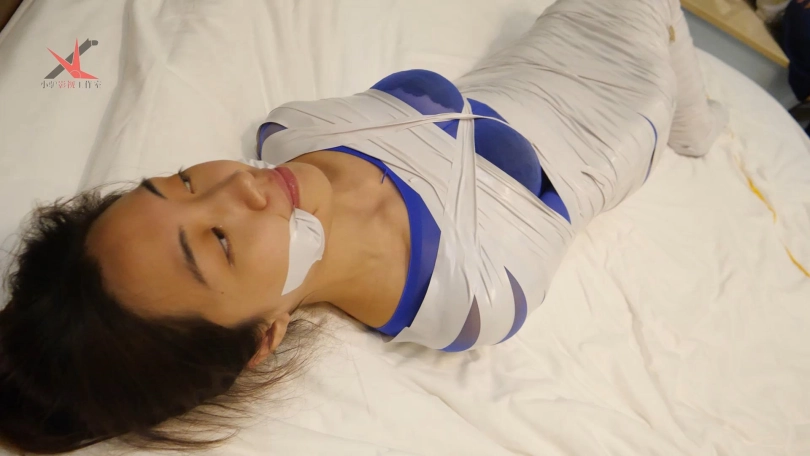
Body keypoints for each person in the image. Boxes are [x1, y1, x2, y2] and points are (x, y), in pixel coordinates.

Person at [0, 0, 723, 453]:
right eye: (217, 242)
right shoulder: (473, 290)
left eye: (181, 182)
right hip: (623, 111)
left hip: (532, 58)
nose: (235, 186)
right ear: (264, 338)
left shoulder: (291, 129)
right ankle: (697, 125)